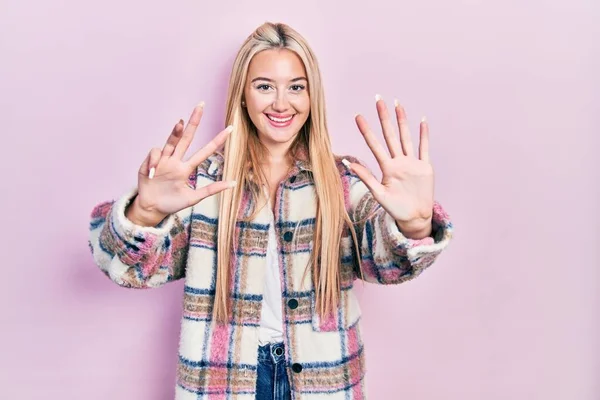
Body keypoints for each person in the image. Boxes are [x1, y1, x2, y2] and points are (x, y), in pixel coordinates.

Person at [88, 21, 453, 400]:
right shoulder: (203, 184)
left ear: (313, 97)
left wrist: (414, 225)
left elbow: (389, 263)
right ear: (243, 96)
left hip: (325, 382)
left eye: (297, 87)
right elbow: (128, 267)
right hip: (224, 383)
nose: (282, 103)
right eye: (265, 87)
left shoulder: (342, 182)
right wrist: (145, 213)